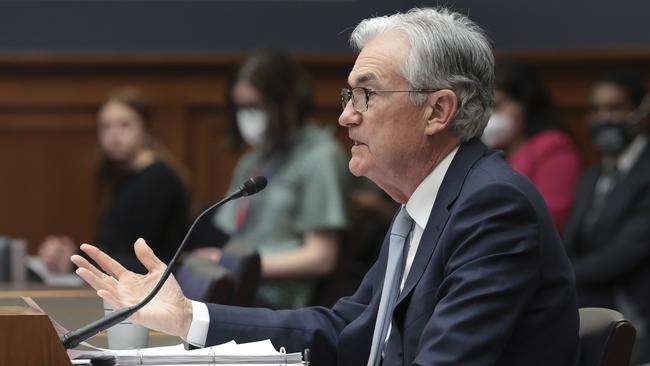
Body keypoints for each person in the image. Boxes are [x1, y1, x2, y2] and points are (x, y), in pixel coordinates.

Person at [71, 8, 579, 366]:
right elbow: (344, 333)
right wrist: (188, 318)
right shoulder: (422, 209)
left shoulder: (491, 207)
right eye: (347, 95)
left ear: (438, 111)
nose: (345, 116)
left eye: (367, 95)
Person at [192, 50, 349, 309]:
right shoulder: (253, 160)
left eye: (254, 107)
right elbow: (238, 237)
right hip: (237, 285)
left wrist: (232, 262)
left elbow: (322, 257)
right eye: (240, 108)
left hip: (277, 301)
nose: (247, 117)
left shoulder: (320, 157)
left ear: (287, 102)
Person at [39, 87, 189, 274]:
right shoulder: (120, 176)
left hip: (157, 285)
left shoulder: (158, 179)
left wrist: (76, 260)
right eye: (105, 126)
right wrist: (73, 255)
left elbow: (138, 258)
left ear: (145, 128)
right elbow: (113, 246)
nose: (114, 135)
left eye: (125, 125)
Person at [563, 72, 650, 364]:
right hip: (587, 300)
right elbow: (569, 239)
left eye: (614, 108)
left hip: (634, 307)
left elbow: (624, 254)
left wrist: (558, 275)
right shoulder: (591, 176)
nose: (603, 118)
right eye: (596, 110)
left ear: (640, 112)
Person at [481, 62, 582, 229]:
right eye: (483, 108)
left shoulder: (553, 147)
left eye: (496, 106)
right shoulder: (487, 153)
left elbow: (553, 215)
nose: (489, 116)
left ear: (523, 104)